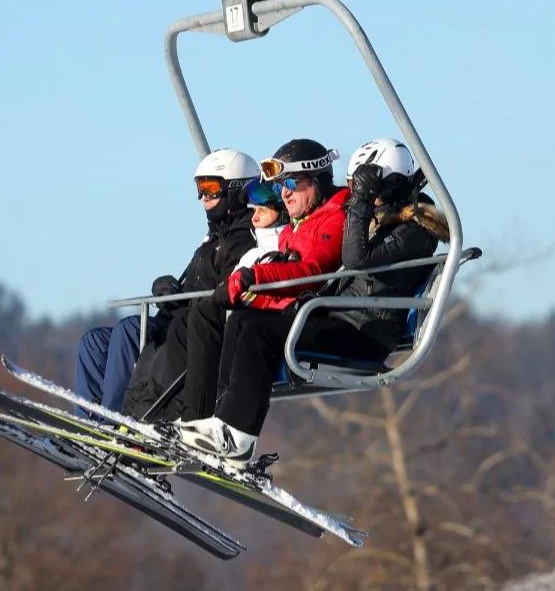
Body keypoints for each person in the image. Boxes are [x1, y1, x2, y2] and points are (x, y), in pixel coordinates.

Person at [178, 138, 450, 467]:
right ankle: (224, 425)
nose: (361, 194)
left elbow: (355, 259)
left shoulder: (416, 230)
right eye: (355, 186)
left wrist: (360, 202)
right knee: (243, 318)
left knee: (260, 329)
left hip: (364, 334)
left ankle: (236, 434)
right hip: (340, 320)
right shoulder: (379, 223)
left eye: (367, 187)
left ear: (392, 184)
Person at [73, 148, 259, 417]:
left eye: (210, 188)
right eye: (199, 189)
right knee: (93, 342)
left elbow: (223, 296)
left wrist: (182, 302)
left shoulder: (242, 242)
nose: (203, 198)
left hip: (191, 331)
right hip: (173, 318)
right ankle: (87, 420)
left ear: (235, 189)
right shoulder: (212, 240)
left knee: (128, 331)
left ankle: (112, 421)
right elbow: (194, 287)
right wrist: (168, 290)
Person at [119, 176, 289, 421]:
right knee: (136, 340)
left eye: (262, 210)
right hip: (216, 319)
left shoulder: (269, 246)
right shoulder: (241, 247)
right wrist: (174, 294)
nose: (254, 217)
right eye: (254, 210)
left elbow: (284, 275)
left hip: (244, 325)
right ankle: (127, 418)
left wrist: (230, 291)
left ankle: (172, 419)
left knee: (178, 331)